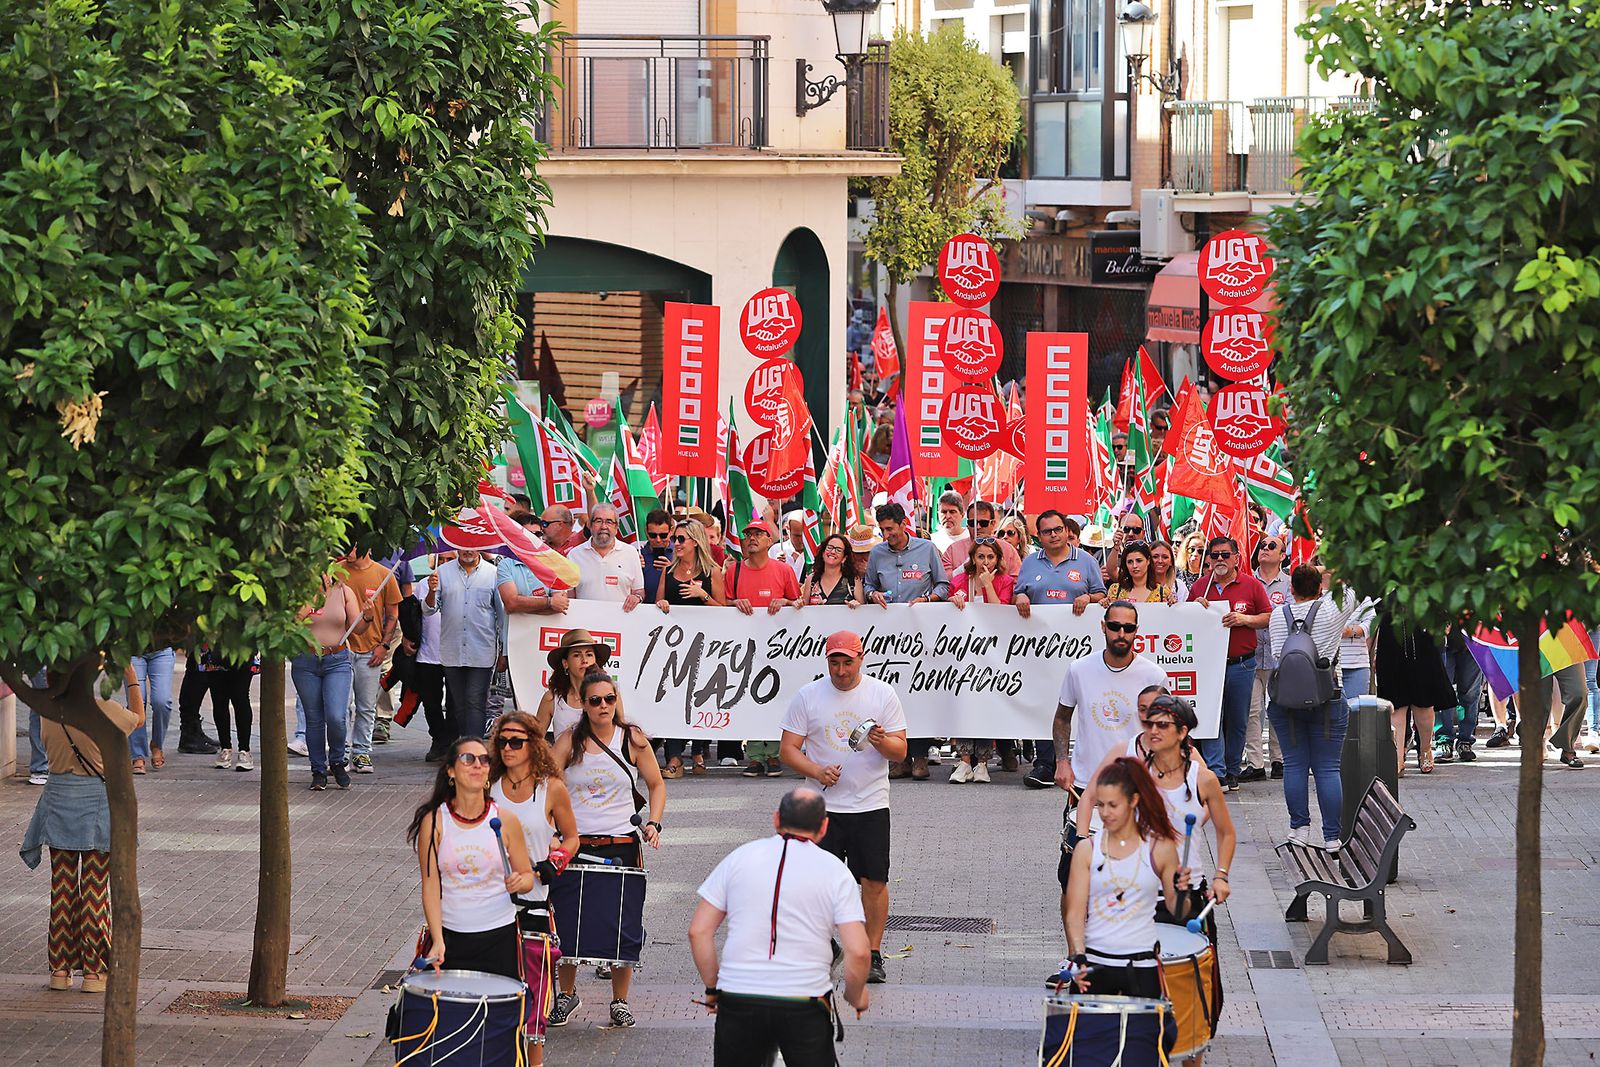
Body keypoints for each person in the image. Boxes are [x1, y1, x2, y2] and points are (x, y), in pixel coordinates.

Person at [689, 789, 871, 1066]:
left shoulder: (739, 858)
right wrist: (855, 996)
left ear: (776, 819)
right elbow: (858, 951)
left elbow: (698, 931)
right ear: (823, 827)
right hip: (804, 999)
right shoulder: (835, 871)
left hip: (739, 996)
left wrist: (714, 988)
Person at [778, 630, 908, 985]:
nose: (840, 670)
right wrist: (816, 770)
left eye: (847, 662)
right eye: (834, 662)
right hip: (822, 807)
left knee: (874, 881)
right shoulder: (808, 696)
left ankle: (873, 953)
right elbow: (787, 749)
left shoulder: (883, 694)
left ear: (860, 659)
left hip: (870, 803)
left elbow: (901, 751)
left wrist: (883, 743)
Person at [549, 672, 666, 1029]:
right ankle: (566, 995)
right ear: (583, 704)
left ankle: (620, 1000)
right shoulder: (569, 740)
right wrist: (549, 831)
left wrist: (654, 823)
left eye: (609, 699)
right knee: (566, 924)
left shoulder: (632, 738)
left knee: (623, 925)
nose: (603, 706)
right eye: (595, 700)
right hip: (576, 843)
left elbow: (657, 784)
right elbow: (549, 786)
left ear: (616, 701)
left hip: (621, 843)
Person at [21, 665, 144, 992]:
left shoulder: (49, 713)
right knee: (93, 888)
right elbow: (139, 718)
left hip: (59, 802)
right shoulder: (104, 710)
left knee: (61, 888)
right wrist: (131, 675)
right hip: (96, 805)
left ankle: (59, 970)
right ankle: (94, 971)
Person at [1051, 601, 1169, 914]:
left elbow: (1164, 734)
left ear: (1136, 632)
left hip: (1134, 793)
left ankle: (1115, 952)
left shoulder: (1154, 675)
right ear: (1103, 627)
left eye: (1128, 628)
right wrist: (1062, 761)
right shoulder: (1079, 669)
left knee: (1128, 881)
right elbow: (1062, 717)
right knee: (1071, 880)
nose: (1121, 634)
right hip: (1086, 788)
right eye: (1114, 626)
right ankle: (1076, 956)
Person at [406, 736, 536, 984]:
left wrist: (520, 882)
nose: (478, 765)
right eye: (468, 759)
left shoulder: (505, 820)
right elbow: (431, 886)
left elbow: (528, 877)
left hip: (499, 936)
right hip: (452, 936)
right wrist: (438, 939)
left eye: (484, 759)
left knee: (497, 1018)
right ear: (451, 771)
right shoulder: (434, 821)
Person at [489, 711, 579, 1064]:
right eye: (502, 741)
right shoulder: (488, 784)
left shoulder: (550, 788)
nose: (508, 748)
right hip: (491, 903)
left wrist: (552, 863)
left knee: (535, 994)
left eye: (516, 741)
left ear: (533, 746)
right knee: (496, 990)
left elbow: (572, 838)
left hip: (534, 902)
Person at [1062, 758, 1192, 996]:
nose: (1104, 813)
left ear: (1134, 801)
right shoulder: (1087, 850)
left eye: (1113, 805)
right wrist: (1078, 957)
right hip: (1094, 964)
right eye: (1100, 805)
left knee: (1145, 1033)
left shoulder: (1159, 848)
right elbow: (1075, 912)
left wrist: (1182, 890)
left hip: (1142, 966)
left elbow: (1178, 911)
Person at [1265, 565, 1358, 849]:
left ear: (1290, 589)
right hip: (1325, 696)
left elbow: (1276, 653)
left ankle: (1299, 830)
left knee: (1294, 765)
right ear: (1320, 589)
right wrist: (1326, 569)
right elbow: (1351, 592)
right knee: (1327, 769)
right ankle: (1331, 837)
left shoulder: (1278, 615)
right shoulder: (1331, 611)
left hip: (1285, 700)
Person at [1018, 511, 1109, 789]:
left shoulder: (1086, 561)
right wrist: (1020, 595)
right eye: (1047, 531)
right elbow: (1019, 592)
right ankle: (1046, 763)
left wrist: (1089, 596)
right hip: (1042, 650)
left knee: (1082, 701)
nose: (1054, 535)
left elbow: (1103, 594)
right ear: (1039, 536)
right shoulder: (1030, 562)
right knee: (1047, 703)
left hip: (1077, 647)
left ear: (1066, 531)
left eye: (1058, 529)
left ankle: (1087, 761)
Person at [862, 502, 946, 780]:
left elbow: (943, 586)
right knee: (893, 695)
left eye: (891, 529)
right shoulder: (877, 553)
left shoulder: (926, 549)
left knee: (918, 694)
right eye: (883, 530)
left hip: (920, 633)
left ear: (903, 524)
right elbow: (869, 585)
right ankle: (899, 759)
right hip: (888, 635)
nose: (887, 535)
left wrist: (927, 599)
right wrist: (873, 594)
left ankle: (920, 756)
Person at [1187, 537, 1272, 790]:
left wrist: (1244, 619)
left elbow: (1267, 616)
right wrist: (1194, 608)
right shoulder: (1201, 587)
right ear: (1209, 559)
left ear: (1236, 557)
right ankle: (1217, 772)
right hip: (1209, 664)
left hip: (1242, 664)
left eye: (1225, 554)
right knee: (1212, 718)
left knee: (1237, 720)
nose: (1220, 560)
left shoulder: (1252, 585)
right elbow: (1186, 620)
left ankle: (1232, 769)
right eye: (1215, 556)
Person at [726, 517, 802, 778]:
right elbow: (722, 604)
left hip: (778, 647)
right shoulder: (734, 571)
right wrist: (734, 603)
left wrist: (784, 601)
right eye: (748, 534)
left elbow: (798, 603)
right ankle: (755, 754)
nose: (752, 538)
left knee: (775, 697)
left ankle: (774, 754)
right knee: (749, 697)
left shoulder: (783, 571)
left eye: (759, 534)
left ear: (770, 540)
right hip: (744, 646)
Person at [656, 519, 728, 776]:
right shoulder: (668, 571)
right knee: (673, 698)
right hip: (674, 647)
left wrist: (702, 596)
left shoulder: (713, 572)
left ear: (695, 542)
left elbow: (723, 609)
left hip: (706, 648)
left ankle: (698, 750)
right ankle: (674, 756)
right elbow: (657, 604)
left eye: (680, 539)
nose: (675, 543)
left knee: (701, 699)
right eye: (675, 539)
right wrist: (662, 604)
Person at [947, 538, 1012, 783]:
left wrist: (988, 585)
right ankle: (964, 761)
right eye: (981, 556)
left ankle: (982, 762)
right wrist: (952, 601)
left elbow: (1000, 613)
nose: (985, 562)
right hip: (963, 654)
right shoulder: (959, 581)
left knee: (985, 705)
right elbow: (948, 612)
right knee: (964, 704)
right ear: (973, 558)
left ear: (997, 559)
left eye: (990, 557)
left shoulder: (1005, 581)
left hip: (991, 655)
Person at [423, 549, 504, 742]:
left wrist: (504, 650)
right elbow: (428, 610)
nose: (468, 550)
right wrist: (432, 591)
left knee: (475, 702)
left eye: (472, 546)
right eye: (463, 546)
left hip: (482, 649)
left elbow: (502, 616)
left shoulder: (493, 574)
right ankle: (465, 746)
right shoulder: (442, 573)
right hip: (452, 649)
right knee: (458, 705)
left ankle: (473, 750)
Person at [292, 569, 361, 790]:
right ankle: (318, 770)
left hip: (337, 658)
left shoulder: (343, 591)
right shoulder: (299, 592)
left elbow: (358, 627)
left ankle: (338, 760)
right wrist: (302, 611)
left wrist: (367, 614)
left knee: (336, 715)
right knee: (313, 718)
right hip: (306, 659)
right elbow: (288, 628)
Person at [1373, 604, 1456, 776]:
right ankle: (1397, 758)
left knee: (1423, 704)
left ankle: (1425, 749)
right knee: (1395, 705)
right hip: (1391, 640)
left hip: (1423, 639)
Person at [342, 550, 401, 775]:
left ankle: (362, 751)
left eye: (352, 545)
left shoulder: (384, 574)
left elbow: (393, 615)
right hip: (342, 650)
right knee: (341, 708)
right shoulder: (338, 573)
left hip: (370, 652)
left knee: (366, 707)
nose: (347, 551)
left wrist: (384, 646)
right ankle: (342, 752)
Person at [1240, 536, 1292, 784]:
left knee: (1279, 710)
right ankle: (1255, 763)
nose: (1265, 549)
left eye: (1272, 546)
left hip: (1279, 656)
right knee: (1252, 711)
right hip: (1251, 656)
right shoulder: (1246, 581)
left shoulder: (1290, 585)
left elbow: (1293, 618)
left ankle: (1279, 760)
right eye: (1262, 545)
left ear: (1282, 555)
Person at [535, 629, 612, 740]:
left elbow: (621, 737)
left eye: (589, 654)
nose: (584, 660)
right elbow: (534, 741)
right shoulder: (551, 698)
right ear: (565, 663)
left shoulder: (610, 696)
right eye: (577, 655)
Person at [569, 503, 646, 610]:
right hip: (585, 623)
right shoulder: (574, 555)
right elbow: (569, 596)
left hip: (621, 622)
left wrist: (637, 597)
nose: (603, 526)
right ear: (590, 525)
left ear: (616, 527)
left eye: (609, 522)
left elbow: (639, 590)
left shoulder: (631, 553)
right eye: (598, 521)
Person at [206, 648, 259, 772]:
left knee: (240, 697)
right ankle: (225, 748)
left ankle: (244, 750)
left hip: (242, 647)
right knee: (219, 699)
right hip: (214, 648)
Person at [940, 499, 1023, 578]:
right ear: (967, 524)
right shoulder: (952, 550)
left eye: (983, 523)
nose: (978, 527)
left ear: (993, 523)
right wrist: (964, 568)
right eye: (973, 523)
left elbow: (1017, 583)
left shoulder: (1008, 550)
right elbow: (944, 582)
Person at [125, 647, 174, 774]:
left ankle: (157, 744)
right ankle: (137, 755)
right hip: (132, 650)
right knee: (136, 700)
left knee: (162, 701)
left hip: (162, 649)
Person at [798, 533, 863, 607]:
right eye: (829, 547)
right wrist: (799, 603)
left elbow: (863, 611)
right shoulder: (812, 579)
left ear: (844, 558)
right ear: (823, 553)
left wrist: (856, 605)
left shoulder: (853, 581)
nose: (832, 552)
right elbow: (804, 609)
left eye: (838, 550)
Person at [1106, 542, 1174, 605]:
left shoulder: (1163, 592)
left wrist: (1173, 604)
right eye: (1130, 562)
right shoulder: (1115, 590)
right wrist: (1103, 603)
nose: (1134, 566)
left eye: (1139, 561)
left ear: (1148, 561)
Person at [639, 509, 675, 603]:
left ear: (671, 531)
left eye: (663, 535)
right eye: (653, 535)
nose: (658, 540)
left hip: (674, 612)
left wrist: (672, 570)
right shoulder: (638, 554)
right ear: (646, 531)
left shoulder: (680, 553)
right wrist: (634, 567)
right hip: (644, 612)